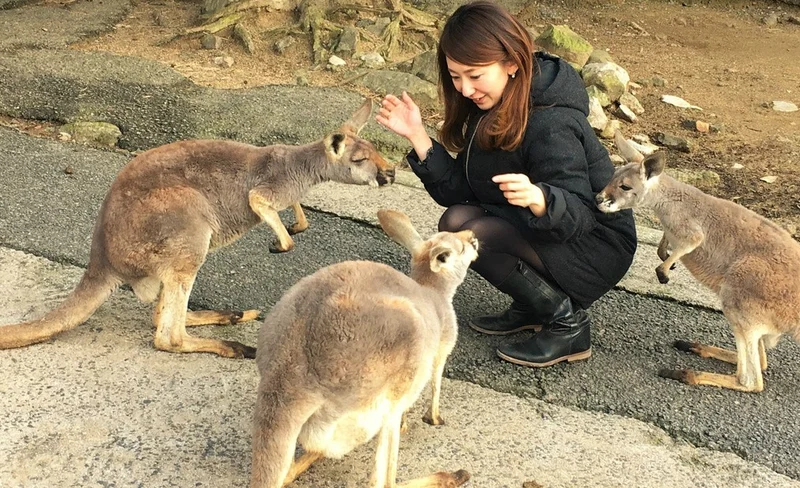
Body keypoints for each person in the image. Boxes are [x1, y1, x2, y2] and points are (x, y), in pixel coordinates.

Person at [376, 0, 637, 368]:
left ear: (511, 63)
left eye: (474, 75)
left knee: (476, 231)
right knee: (454, 221)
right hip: (544, 227)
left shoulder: (551, 123)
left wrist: (541, 199)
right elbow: (462, 192)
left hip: (594, 244)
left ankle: (568, 324)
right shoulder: (492, 105)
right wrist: (417, 136)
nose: (464, 89)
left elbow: (581, 213)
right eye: (454, 76)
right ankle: (535, 305)